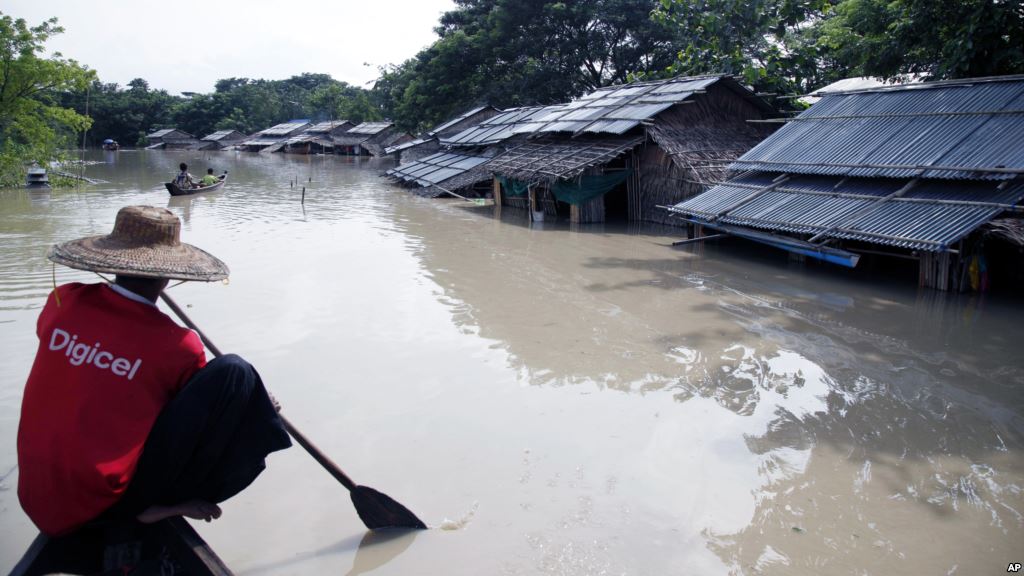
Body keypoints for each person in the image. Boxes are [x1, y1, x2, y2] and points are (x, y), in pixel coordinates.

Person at [17, 205, 292, 537]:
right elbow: (204, 418)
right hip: (105, 504)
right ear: (168, 276)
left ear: (112, 261)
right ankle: (147, 508)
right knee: (236, 374)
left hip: (36, 495)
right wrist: (258, 406)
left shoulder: (63, 300)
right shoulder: (178, 345)